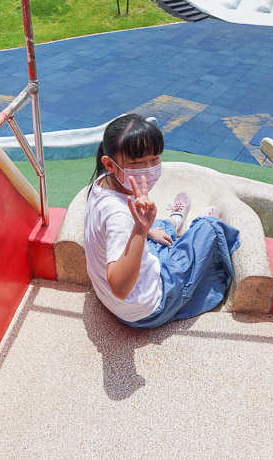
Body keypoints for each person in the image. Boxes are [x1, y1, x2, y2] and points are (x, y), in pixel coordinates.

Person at [84, 114, 241, 328]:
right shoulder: (119, 217)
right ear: (109, 164)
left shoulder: (104, 182)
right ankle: (189, 228)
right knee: (210, 228)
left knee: (159, 229)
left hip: (115, 303)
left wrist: (145, 230)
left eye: (155, 159)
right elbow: (120, 288)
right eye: (138, 162)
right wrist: (140, 230)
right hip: (147, 309)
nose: (149, 168)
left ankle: (174, 223)